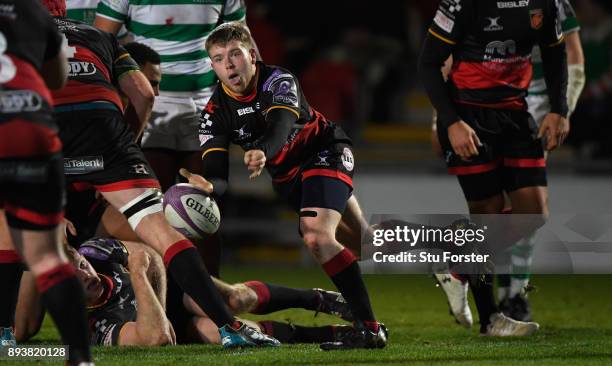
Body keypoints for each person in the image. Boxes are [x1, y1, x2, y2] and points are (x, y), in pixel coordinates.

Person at [40, 0, 278, 348]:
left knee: (13, 229)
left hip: (51, 135)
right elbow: (144, 93)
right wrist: (125, 148)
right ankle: (230, 328)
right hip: (107, 132)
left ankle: (4, 334)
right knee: (165, 233)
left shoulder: (16, 36)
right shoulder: (95, 36)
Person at [188, 22, 387, 350]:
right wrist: (208, 186)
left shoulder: (278, 80)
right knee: (367, 245)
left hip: (323, 151)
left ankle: (368, 329)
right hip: (289, 178)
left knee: (315, 235)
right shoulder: (213, 114)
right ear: (212, 66)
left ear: (251, 55)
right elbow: (218, 174)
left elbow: (281, 125)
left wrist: (262, 151)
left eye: (235, 54)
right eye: (219, 58)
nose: (229, 64)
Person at [419, 0, 569, 336]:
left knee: (534, 212)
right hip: (467, 115)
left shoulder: (544, 3)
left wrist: (560, 109)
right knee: (485, 215)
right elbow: (428, 64)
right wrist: (451, 122)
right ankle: (491, 319)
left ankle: (456, 265)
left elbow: (555, 52)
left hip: (515, 114)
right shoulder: (463, 4)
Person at [0, 0, 94, 364]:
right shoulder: (33, 12)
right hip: (31, 126)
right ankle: (80, 359)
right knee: (46, 258)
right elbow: (58, 79)